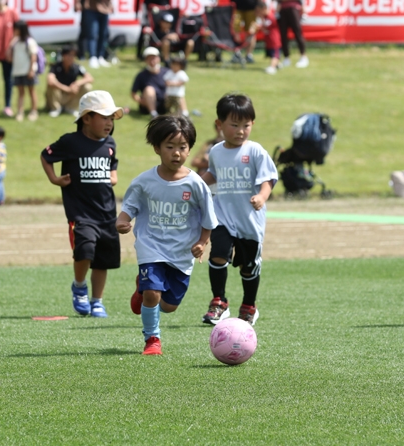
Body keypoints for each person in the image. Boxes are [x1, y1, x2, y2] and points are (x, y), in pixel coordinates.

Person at [116, 115, 217, 355]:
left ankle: (142, 292)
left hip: (182, 253)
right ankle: (152, 340)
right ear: (157, 148)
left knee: (169, 306)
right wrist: (122, 221)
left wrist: (203, 242)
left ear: (189, 148)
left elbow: (208, 219)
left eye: (182, 147)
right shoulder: (144, 181)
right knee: (153, 293)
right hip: (151, 247)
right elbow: (128, 208)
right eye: (169, 147)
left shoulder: (196, 184)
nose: (176, 153)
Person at [40, 91, 123, 318]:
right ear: (86, 118)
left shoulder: (110, 143)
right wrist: (54, 179)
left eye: (112, 118)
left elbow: (112, 167)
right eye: (104, 117)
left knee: (103, 259)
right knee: (85, 249)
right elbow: (46, 156)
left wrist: (112, 176)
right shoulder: (71, 142)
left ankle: (97, 301)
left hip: (107, 212)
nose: (109, 123)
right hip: (80, 212)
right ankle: (79, 286)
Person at [200, 93, 278, 326]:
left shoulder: (255, 151)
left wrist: (262, 197)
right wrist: (197, 184)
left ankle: (249, 306)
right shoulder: (216, 151)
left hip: (249, 221)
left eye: (246, 125)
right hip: (222, 215)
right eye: (234, 125)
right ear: (220, 124)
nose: (241, 130)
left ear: (252, 124)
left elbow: (268, 179)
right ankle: (219, 302)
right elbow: (213, 174)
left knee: (248, 267)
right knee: (218, 254)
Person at [46, 44, 94, 118]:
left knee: (87, 86)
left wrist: (77, 83)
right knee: (52, 86)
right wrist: (66, 89)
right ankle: (55, 108)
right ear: (63, 55)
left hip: (71, 95)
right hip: (58, 94)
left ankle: (70, 108)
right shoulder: (55, 67)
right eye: (68, 55)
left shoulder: (77, 67)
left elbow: (90, 78)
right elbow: (50, 81)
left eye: (73, 55)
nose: (71, 58)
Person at [8, 20, 39, 122]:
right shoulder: (15, 41)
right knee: (20, 92)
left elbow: (33, 57)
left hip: (28, 71)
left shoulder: (30, 41)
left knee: (31, 91)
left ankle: (34, 111)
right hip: (18, 71)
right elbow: (8, 56)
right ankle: (20, 112)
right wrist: (11, 42)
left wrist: (31, 70)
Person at [131, 47, 169, 118]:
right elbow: (133, 93)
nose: (152, 61)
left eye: (154, 58)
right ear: (145, 60)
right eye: (149, 58)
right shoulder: (141, 75)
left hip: (164, 102)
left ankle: (184, 113)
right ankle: (153, 114)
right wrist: (140, 100)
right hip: (147, 105)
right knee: (149, 89)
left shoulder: (167, 72)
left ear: (159, 58)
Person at [76, 0, 112, 69]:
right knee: (92, 34)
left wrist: (111, 5)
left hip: (105, 8)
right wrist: (78, 2)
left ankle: (100, 56)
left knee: (103, 34)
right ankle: (92, 57)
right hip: (91, 8)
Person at [277, 0, 308, 68]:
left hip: (294, 9)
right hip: (282, 10)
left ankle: (303, 56)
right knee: (283, 35)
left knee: (298, 34)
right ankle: (286, 57)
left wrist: (304, 10)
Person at [255, 1, 281, 75]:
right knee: (271, 54)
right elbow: (264, 29)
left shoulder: (271, 17)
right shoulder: (265, 17)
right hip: (269, 40)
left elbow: (267, 27)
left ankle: (272, 67)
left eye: (259, 11)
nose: (258, 12)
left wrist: (259, 25)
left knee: (275, 55)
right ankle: (277, 64)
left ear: (264, 9)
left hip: (274, 40)